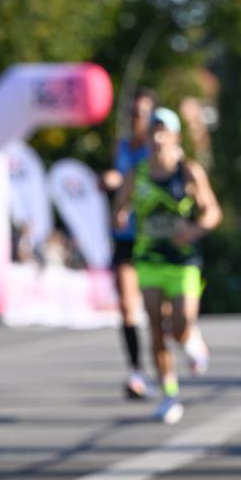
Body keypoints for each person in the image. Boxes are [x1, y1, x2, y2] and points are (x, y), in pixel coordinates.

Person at [114, 107, 222, 424]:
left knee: (179, 326)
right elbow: (119, 205)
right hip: (148, 259)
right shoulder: (139, 172)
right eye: (153, 130)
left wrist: (194, 229)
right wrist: (119, 215)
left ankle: (192, 339)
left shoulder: (188, 172)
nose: (157, 136)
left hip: (183, 262)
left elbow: (213, 212)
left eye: (164, 130)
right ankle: (169, 394)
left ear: (175, 136)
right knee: (156, 329)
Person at [100, 88, 156, 399]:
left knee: (157, 308)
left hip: (152, 237)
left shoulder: (156, 150)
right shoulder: (120, 146)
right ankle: (136, 371)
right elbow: (116, 177)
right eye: (132, 113)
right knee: (126, 306)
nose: (135, 118)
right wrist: (107, 180)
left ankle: (177, 349)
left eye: (141, 114)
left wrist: (123, 189)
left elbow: (145, 186)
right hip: (124, 236)